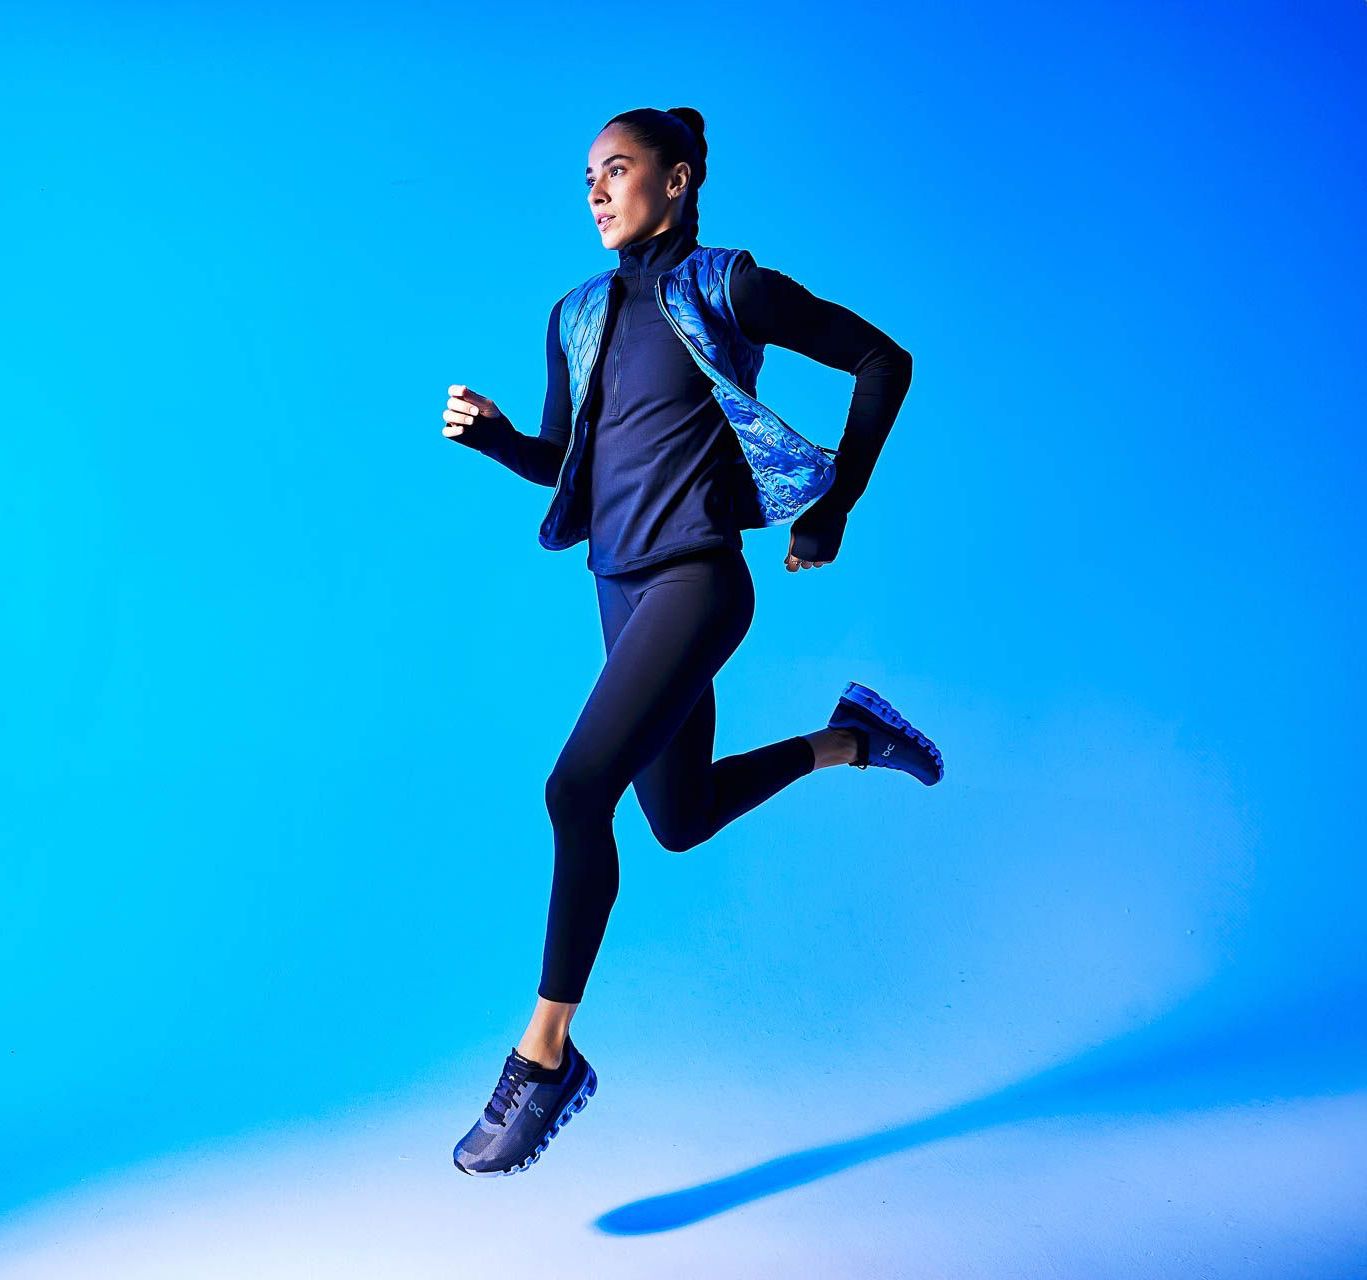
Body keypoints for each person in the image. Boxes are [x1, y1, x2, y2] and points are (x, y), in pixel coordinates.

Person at [445, 106, 944, 1177]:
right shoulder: (573, 315)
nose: (594, 189)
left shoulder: (727, 285)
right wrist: (497, 442)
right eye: (585, 175)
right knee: (674, 819)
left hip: (698, 582)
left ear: (675, 181)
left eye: (616, 169)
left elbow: (879, 360)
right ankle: (850, 738)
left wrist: (834, 503)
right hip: (618, 589)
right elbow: (564, 461)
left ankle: (543, 1059)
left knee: (574, 794)